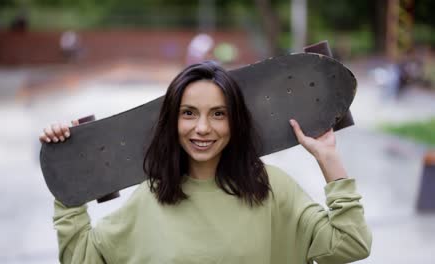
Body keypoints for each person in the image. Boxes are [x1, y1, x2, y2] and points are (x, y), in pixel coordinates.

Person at [40, 61, 372, 263]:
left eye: (218, 114)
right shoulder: (153, 195)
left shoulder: (271, 188)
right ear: (173, 121)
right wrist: (70, 175)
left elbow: (351, 243)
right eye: (188, 114)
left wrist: (329, 159)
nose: (202, 128)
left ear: (235, 122)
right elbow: (82, 258)